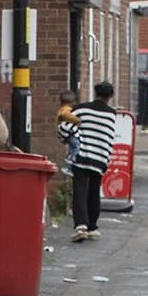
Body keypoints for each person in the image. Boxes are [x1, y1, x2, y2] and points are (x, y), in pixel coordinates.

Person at [59, 80, 119, 243]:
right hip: (100, 157)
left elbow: (64, 126)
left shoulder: (81, 109)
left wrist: (69, 138)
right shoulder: (112, 114)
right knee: (94, 191)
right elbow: (108, 137)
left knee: (79, 190)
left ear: (95, 93)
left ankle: (81, 226)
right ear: (111, 96)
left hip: (82, 155)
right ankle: (92, 226)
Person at [55, 89, 81, 167]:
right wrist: (77, 120)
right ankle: (71, 164)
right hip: (67, 132)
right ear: (72, 103)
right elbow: (65, 114)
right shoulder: (66, 109)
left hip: (65, 133)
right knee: (76, 145)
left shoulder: (62, 109)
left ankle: (69, 160)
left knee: (72, 147)